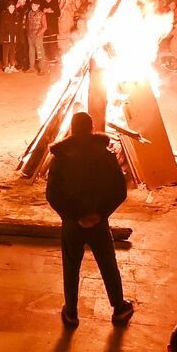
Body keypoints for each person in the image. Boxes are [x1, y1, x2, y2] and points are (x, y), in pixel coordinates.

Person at [46, 112, 133, 328]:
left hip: (72, 225)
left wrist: (75, 217)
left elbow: (52, 195)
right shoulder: (106, 155)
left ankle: (71, 313)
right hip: (99, 223)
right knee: (107, 263)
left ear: (72, 130)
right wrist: (100, 215)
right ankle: (119, 308)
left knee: (71, 266)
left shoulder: (60, 158)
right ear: (92, 128)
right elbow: (120, 191)